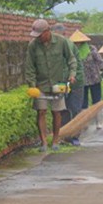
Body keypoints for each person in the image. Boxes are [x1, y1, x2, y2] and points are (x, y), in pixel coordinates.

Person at [25, 19, 77, 151]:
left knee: (57, 112)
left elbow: (71, 59)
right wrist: (32, 85)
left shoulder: (61, 42)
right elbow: (29, 67)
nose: (38, 38)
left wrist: (72, 74)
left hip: (57, 83)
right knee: (41, 111)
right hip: (40, 84)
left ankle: (55, 140)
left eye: (40, 35)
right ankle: (43, 142)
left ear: (47, 32)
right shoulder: (33, 46)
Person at [52, 23, 85, 146]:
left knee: (75, 108)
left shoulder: (68, 45)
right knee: (63, 109)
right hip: (62, 82)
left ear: (64, 35)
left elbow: (69, 66)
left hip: (75, 81)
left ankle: (75, 136)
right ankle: (65, 135)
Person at [70, 29, 103, 129]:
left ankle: (98, 122)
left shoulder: (91, 49)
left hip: (94, 79)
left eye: (79, 42)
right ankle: (84, 123)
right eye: (75, 43)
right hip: (82, 81)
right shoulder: (72, 52)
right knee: (83, 103)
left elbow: (99, 60)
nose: (77, 44)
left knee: (97, 101)